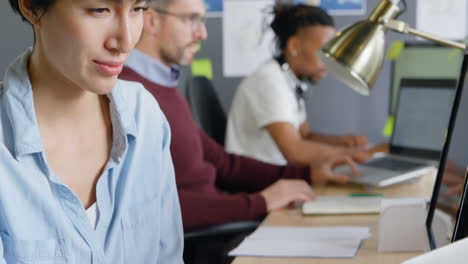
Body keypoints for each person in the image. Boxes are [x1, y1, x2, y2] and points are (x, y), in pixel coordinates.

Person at [118, 0, 359, 262]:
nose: (202, 33)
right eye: (192, 20)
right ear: (152, 20)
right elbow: (156, 208)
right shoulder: (128, 97)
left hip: (220, 226)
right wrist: (260, 202)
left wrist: (305, 174)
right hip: (203, 241)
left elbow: (222, 163)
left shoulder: (164, 88)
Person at [1, 0, 183, 263]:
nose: (126, 41)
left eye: (138, 8)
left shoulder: (144, 116)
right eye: (99, 10)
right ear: (31, 6)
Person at [225, 4, 369, 166]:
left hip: (277, 176)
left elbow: (304, 136)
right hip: (257, 184)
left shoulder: (290, 79)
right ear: (294, 45)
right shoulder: (269, 81)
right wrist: (363, 155)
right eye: (325, 51)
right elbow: (295, 151)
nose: (331, 61)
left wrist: (340, 142)